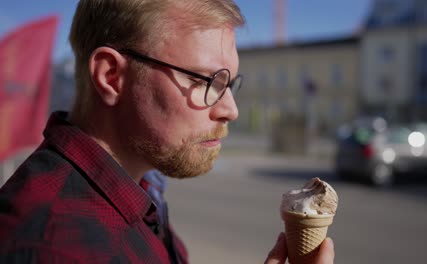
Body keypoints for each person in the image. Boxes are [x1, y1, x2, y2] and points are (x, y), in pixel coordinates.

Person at [0, 0, 334, 263]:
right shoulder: (58, 249)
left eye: (229, 83)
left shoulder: (139, 189)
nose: (230, 109)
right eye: (205, 80)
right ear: (111, 76)